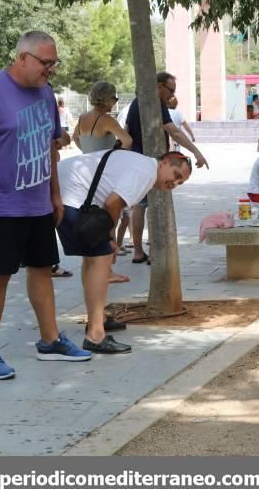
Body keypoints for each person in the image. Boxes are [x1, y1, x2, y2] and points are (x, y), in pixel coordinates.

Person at [0, 30, 91, 380]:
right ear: (22, 58)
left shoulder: (45, 93)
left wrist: (55, 194)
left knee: (43, 269)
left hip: (38, 204)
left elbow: (50, 146)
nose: (51, 70)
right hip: (0, 205)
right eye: (46, 63)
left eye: (54, 64)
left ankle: (50, 340)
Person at [57, 150, 193, 354]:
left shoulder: (144, 167)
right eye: (176, 176)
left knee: (94, 257)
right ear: (164, 162)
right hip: (71, 194)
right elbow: (112, 203)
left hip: (66, 190)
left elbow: (114, 204)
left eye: (180, 183)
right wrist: (109, 238)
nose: (174, 184)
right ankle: (95, 335)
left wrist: (108, 237)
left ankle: (98, 319)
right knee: (100, 257)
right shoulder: (147, 172)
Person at [125, 71, 208, 264]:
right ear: (159, 85)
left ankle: (138, 251)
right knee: (153, 205)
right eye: (171, 90)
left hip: (137, 160)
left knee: (139, 206)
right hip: (151, 163)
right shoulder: (155, 102)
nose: (172, 95)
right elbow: (173, 131)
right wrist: (196, 152)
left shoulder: (138, 102)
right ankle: (153, 251)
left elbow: (128, 130)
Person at [72, 81, 134, 285]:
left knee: (91, 218)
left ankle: (94, 265)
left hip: (86, 174)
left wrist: (88, 154)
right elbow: (127, 141)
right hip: (105, 174)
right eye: (114, 98)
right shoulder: (106, 119)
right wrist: (116, 156)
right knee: (109, 220)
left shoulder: (82, 118)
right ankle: (107, 269)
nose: (115, 102)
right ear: (107, 99)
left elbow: (76, 139)